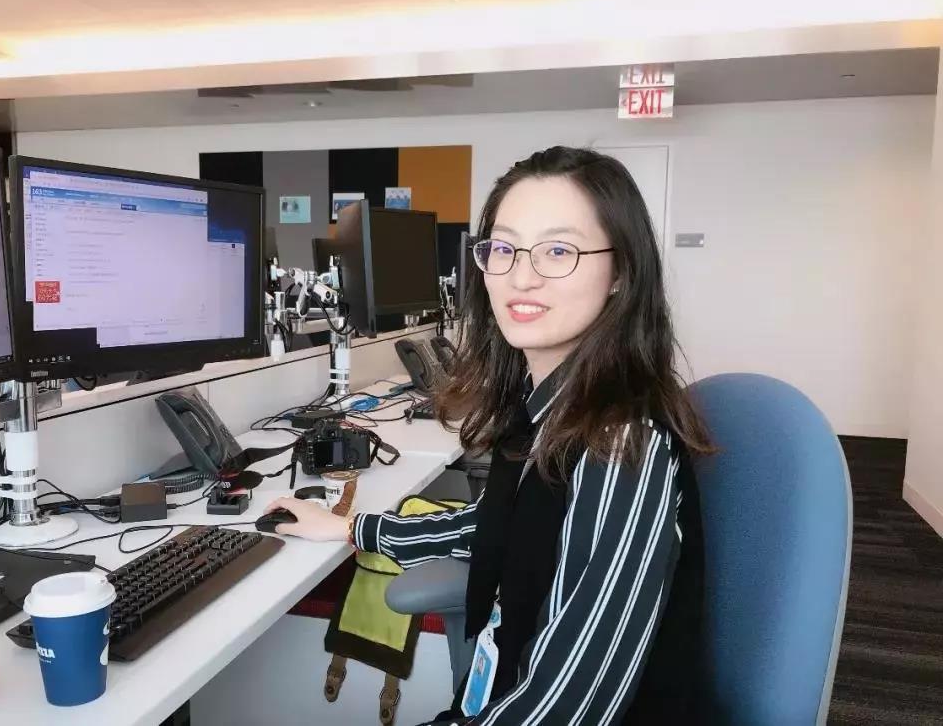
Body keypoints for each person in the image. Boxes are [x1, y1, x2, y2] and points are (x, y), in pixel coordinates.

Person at [267, 146, 714, 725]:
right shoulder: (550, 407)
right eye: (504, 248)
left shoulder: (622, 443)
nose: (521, 277)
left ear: (621, 273)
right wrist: (353, 528)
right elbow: (500, 523)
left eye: (559, 250)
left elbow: (566, 705)